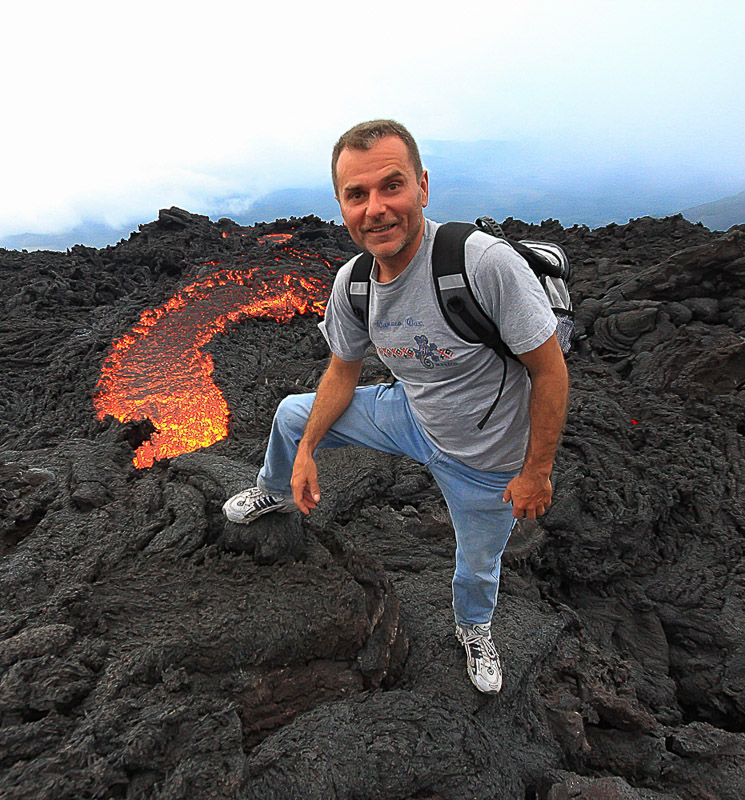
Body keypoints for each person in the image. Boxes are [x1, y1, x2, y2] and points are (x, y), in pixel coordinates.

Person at [223, 119, 569, 693]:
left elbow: (549, 371)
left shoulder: (479, 265)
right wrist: (308, 450)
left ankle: (474, 630)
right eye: (357, 195)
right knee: (290, 414)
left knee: (477, 565)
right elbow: (341, 371)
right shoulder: (354, 282)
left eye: (392, 186)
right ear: (340, 204)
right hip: (410, 417)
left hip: (485, 461)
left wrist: (536, 471)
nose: (376, 208)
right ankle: (277, 490)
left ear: (423, 186)